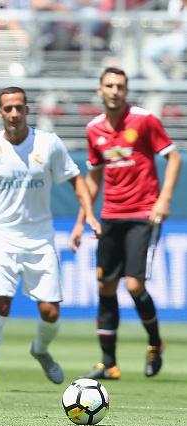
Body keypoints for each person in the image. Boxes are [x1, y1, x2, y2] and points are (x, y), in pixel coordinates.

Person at [0, 86, 100, 393]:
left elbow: (75, 179)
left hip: (40, 238)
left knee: (51, 312)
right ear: (0, 113)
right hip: (2, 237)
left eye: (19, 107)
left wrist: (88, 215)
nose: (14, 113)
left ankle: (40, 350)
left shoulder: (49, 144)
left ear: (27, 110)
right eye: (8, 108)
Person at [70, 67, 182, 380]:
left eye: (120, 85)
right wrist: (82, 221)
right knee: (105, 286)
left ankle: (155, 343)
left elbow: (174, 158)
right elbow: (93, 180)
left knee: (134, 286)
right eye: (109, 85)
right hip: (110, 216)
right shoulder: (94, 129)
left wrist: (164, 200)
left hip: (143, 214)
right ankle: (109, 363)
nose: (115, 90)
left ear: (126, 90)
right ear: (99, 90)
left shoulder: (144, 120)